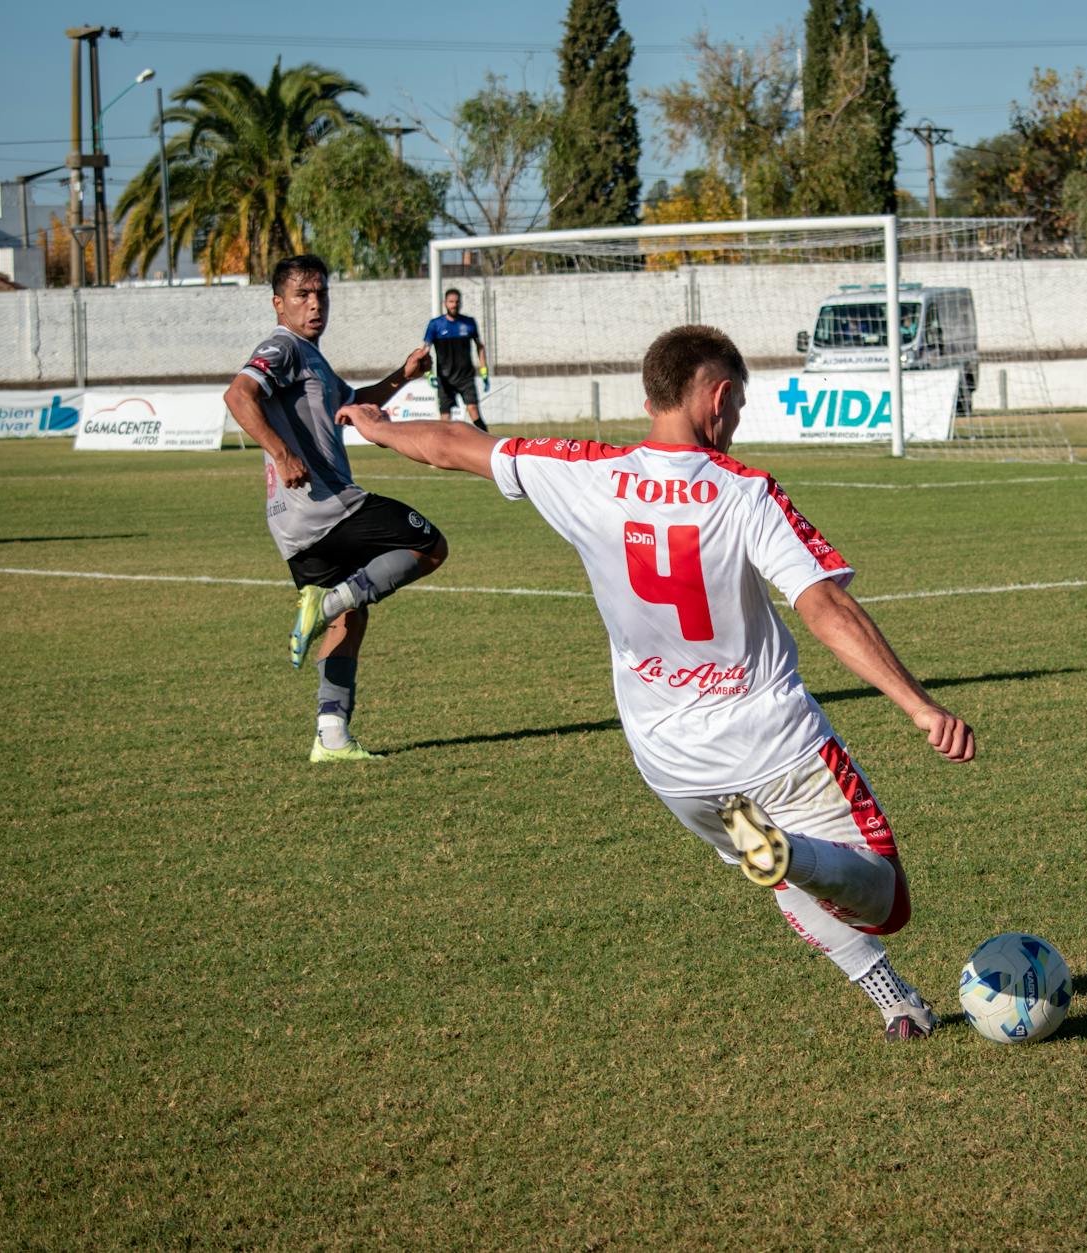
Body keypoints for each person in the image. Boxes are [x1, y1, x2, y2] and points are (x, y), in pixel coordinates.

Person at [336, 324, 976, 1041]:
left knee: (776, 862)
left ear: (651, 401)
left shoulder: (584, 471)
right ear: (719, 398)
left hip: (677, 771)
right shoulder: (745, 492)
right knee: (884, 899)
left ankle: (894, 999)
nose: (735, 424)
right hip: (775, 748)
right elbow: (822, 604)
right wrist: (919, 705)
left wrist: (377, 428)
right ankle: (796, 854)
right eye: (737, 408)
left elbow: (454, 444)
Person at [222, 254, 449, 763]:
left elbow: (352, 404)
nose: (314, 304)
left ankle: (332, 736)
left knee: (352, 613)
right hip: (326, 507)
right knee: (430, 545)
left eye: (321, 293)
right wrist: (282, 454)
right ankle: (321, 605)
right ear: (278, 303)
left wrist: (403, 375)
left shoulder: (311, 358)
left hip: (293, 525)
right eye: (302, 295)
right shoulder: (282, 346)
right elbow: (238, 396)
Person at [424, 288, 491, 428]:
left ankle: (487, 441)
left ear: (460, 303)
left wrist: (484, 371)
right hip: (445, 379)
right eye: (451, 302)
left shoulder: (469, 323)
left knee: (473, 410)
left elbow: (480, 347)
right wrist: (428, 373)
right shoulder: (435, 324)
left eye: (457, 302)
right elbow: (425, 351)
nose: (454, 305)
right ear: (445, 303)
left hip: (466, 378)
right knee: (445, 418)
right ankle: (444, 444)